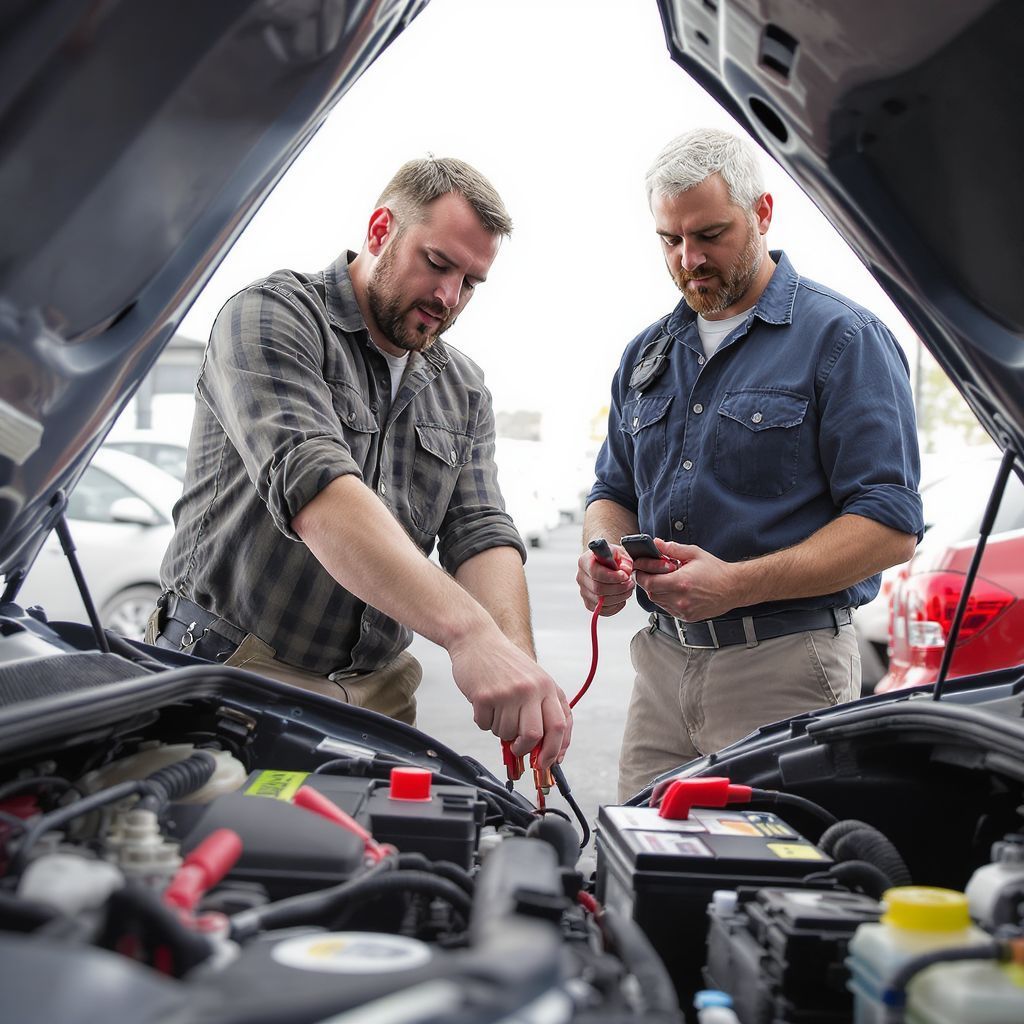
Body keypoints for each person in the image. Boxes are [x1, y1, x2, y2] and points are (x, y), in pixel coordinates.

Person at [151, 156, 571, 767]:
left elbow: (480, 532)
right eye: (437, 263)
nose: (449, 296)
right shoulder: (272, 316)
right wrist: (469, 634)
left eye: (471, 281)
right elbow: (315, 485)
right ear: (380, 231)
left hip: (379, 694)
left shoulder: (463, 386)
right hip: (239, 668)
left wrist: (518, 668)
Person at [577, 128, 923, 799]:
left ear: (762, 214)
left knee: (769, 881)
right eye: (669, 240)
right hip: (661, 668)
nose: (688, 259)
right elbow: (611, 488)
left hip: (786, 668)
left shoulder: (846, 339)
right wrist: (607, 555)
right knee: (641, 877)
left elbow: (890, 526)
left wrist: (734, 585)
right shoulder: (645, 354)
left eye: (710, 234)